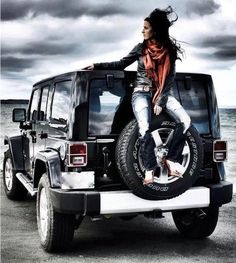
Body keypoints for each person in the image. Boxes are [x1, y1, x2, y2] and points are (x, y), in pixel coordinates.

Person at [85, 6, 191, 185]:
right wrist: (97, 65)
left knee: (186, 121)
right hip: (140, 93)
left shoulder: (169, 51)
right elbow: (121, 63)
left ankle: (171, 159)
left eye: (146, 28)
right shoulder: (140, 49)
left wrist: (160, 100)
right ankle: (149, 170)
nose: (142, 30)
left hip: (162, 94)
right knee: (144, 128)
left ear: (155, 29)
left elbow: (170, 79)